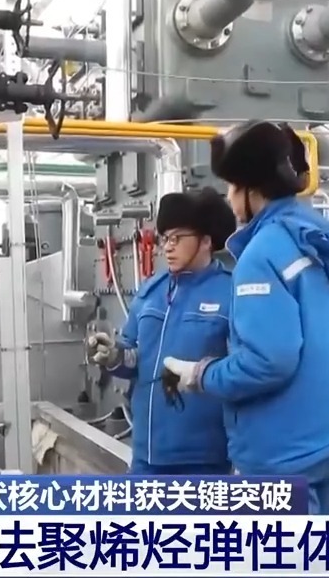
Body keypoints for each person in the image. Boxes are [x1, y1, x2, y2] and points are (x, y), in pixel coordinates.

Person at [161, 120, 329, 514]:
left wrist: (199, 374)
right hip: (326, 441)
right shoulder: (315, 238)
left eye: (232, 187)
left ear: (251, 191)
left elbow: (268, 362)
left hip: (280, 451)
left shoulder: (262, 254)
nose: (229, 198)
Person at [86, 187, 238, 476]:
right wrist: (113, 355)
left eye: (177, 238)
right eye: (164, 238)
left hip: (204, 459)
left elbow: (244, 370)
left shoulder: (231, 292)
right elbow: (133, 355)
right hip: (146, 455)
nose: (167, 246)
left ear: (206, 241)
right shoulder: (151, 291)